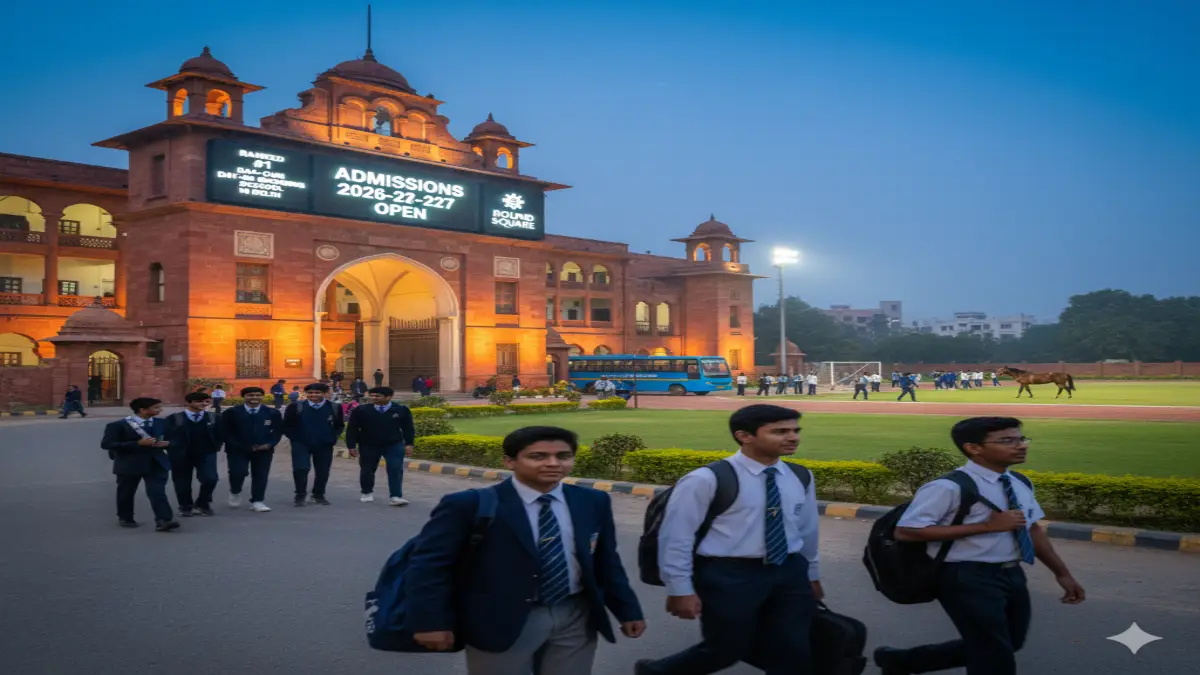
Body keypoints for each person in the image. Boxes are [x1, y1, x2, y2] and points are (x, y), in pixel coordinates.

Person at [406, 426, 646, 674]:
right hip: (499, 617)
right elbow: (430, 566)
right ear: (509, 462)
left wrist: (627, 610)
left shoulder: (591, 501)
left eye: (563, 456)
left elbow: (606, 560)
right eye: (538, 456)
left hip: (575, 614)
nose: (553, 463)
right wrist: (430, 620)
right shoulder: (469, 505)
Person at [874, 417, 1086, 675]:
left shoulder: (1019, 482)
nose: (1021, 446)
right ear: (973, 448)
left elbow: (1032, 529)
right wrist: (987, 526)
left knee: (1009, 642)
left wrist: (1062, 573)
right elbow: (907, 531)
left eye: (1021, 439)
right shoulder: (948, 487)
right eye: (1007, 441)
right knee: (993, 653)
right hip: (965, 576)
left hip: (1011, 573)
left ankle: (901, 661)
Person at [636, 404, 821, 675]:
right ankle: (659, 671)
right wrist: (679, 589)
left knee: (793, 649)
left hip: (789, 570)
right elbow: (676, 537)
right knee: (725, 648)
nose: (793, 437)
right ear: (744, 436)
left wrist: (811, 574)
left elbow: (807, 529)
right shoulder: (706, 479)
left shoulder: (800, 476)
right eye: (780, 432)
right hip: (729, 575)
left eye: (795, 430)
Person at [101, 397, 178, 531]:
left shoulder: (162, 423)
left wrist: (168, 443)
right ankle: (126, 517)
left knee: (157, 492)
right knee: (126, 492)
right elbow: (107, 444)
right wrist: (137, 443)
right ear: (142, 410)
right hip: (129, 463)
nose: (160, 410)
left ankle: (164, 520)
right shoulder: (119, 425)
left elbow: (177, 439)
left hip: (156, 463)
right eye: (156, 407)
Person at [345, 386, 415, 506]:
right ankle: (367, 492)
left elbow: (408, 428)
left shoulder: (401, 410)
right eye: (372, 396)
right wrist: (351, 445)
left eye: (377, 396)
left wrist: (409, 443)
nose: (374, 398)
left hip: (393, 444)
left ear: (388, 397)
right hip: (368, 444)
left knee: (395, 469)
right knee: (367, 469)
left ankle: (396, 496)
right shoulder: (361, 410)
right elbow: (352, 428)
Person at [221, 386, 284, 512]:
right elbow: (225, 432)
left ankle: (257, 501)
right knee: (238, 472)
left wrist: (270, 444)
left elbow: (278, 431)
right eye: (250, 395)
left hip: (263, 449)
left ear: (262, 396)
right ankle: (235, 491)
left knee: (261, 475)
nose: (254, 398)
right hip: (237, 450)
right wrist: (238, 445)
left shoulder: (272, 413)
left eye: (257, 395)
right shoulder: (232, 412)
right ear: (243, 397)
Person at [282, 382, 345, 507]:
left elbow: (339, 426)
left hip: (324, 444)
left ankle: (318, 495)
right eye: (310, 393)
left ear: (325, 393)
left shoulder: (334, 407)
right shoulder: (296, 407)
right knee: (301, 468)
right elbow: (286, 425)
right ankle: (300, 495)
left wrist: (332, 438)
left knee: (323, 470)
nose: (313, 395)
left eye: (317, 393)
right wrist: (295, 439)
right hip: (301, 444)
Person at [164, 392, 223, 517]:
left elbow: (220, 434)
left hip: (206, 453)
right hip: (180, 454)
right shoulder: (175, 418)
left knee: (211, 478)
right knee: (182, 482)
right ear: (189, 403)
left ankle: (202, 503)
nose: (203, 404)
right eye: (199, 401)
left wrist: (215, 446)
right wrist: (173, 447)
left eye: (206, 401)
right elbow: (166, 435)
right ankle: (185, 506)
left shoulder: (214, 417)